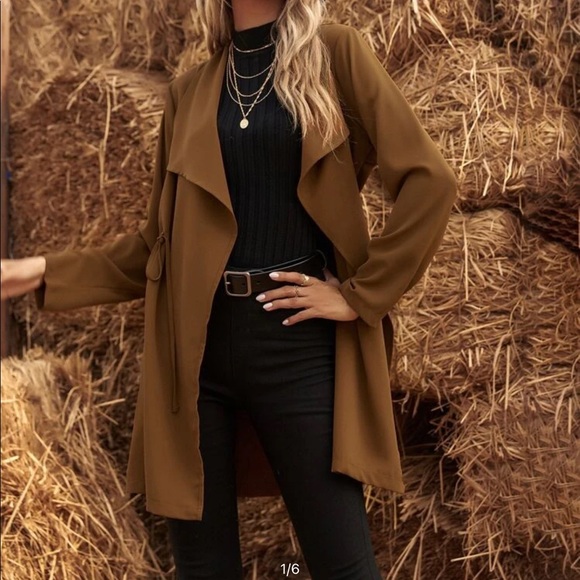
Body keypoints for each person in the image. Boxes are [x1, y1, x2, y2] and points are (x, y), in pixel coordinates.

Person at [1, 0, 457, 578]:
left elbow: (430, 182)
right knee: (204, 569)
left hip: (299, 348)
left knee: (342, 566)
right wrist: (37, 271)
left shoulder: (335, 52)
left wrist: (360, 295)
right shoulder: (190, 92)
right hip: (196, 360)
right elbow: (157, 248)